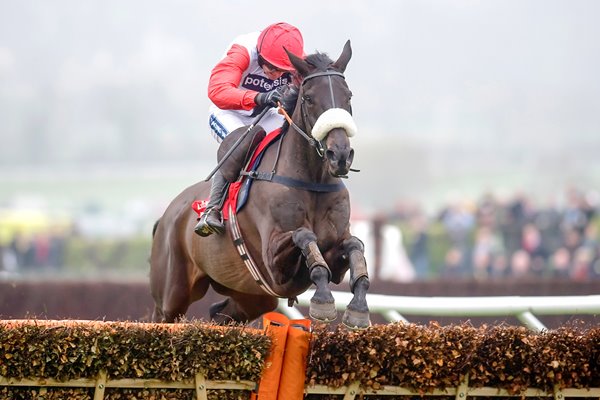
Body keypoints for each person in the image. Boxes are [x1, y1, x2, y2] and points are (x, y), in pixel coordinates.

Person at [194, 22, 305, 237]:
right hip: (229, 112)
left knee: (293, 139)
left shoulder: (299, 60)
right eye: (270, 67)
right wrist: (259, 97)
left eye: (282, 71)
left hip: (266, 112)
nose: (274, 75)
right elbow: (217, 90)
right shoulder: (243, 51)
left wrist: (292, 92)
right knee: (247, 139)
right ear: (261, 55)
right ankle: (212, 209)